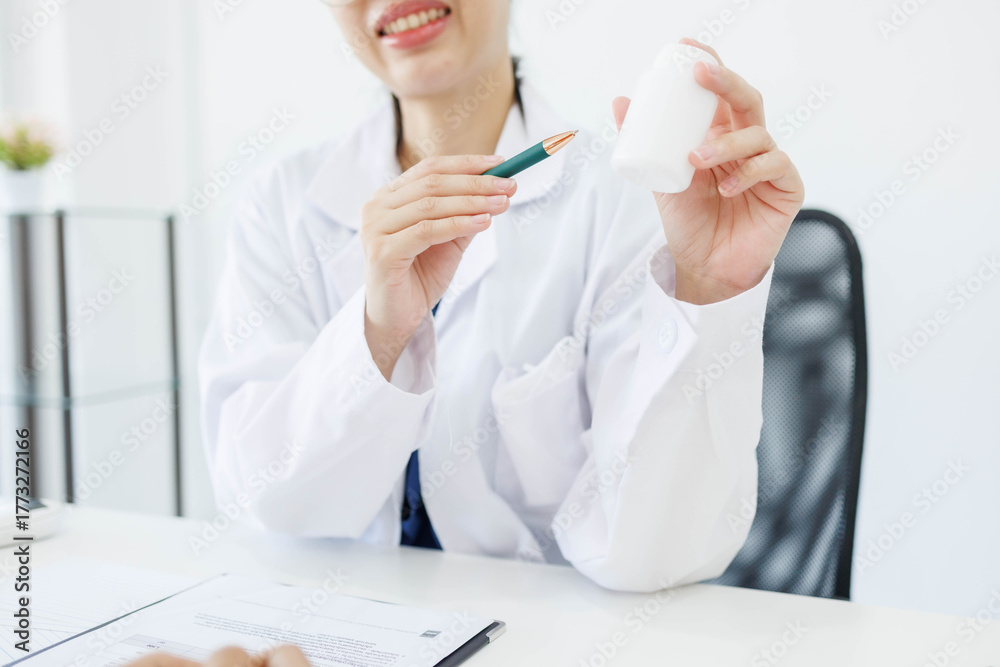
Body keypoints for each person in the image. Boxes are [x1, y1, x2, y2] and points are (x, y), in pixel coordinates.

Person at [199, 0, 804, 594]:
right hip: (337, 620)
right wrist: (378, 332)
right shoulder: (279, 205)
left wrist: (706, 288)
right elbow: (262, 498)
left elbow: (654, 556)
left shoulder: (633, 198)